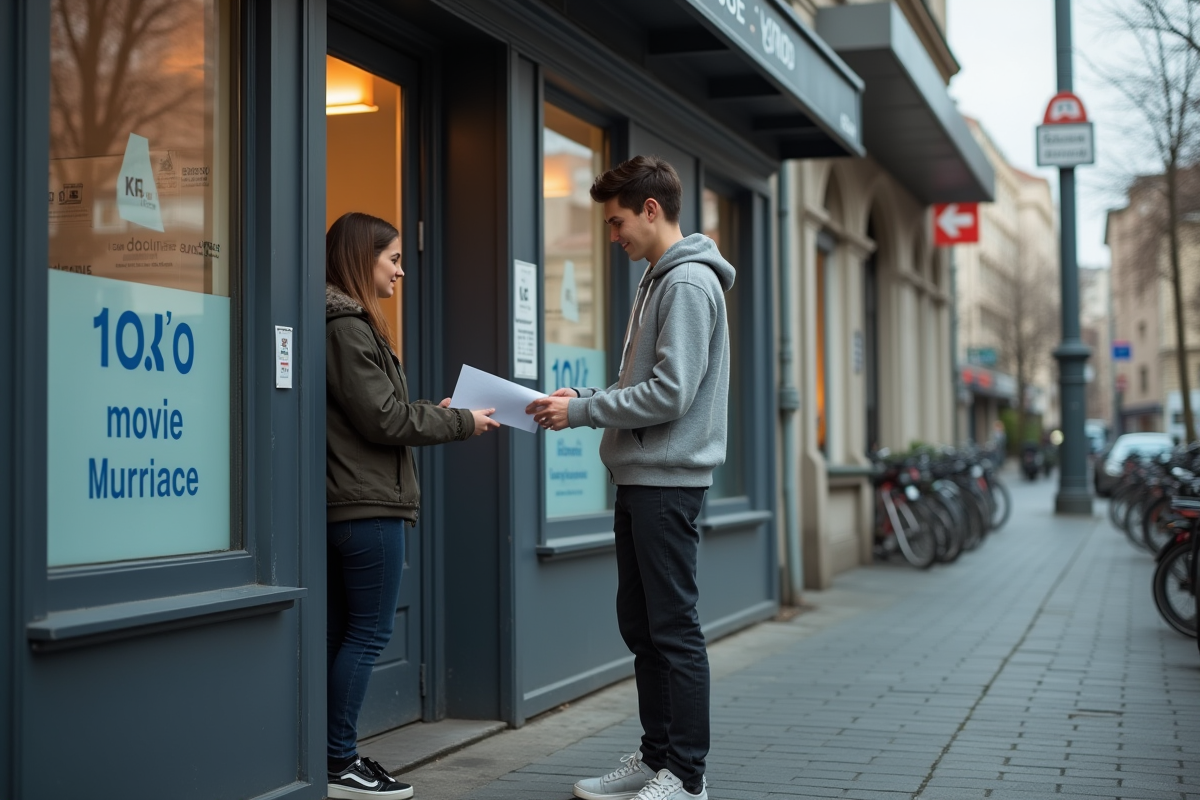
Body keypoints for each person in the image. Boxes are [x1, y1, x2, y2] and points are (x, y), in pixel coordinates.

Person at [527, 156, 735, 800]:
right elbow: (644, 387)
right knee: (644, 627)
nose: (611, 234)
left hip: (667, 481)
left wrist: (585, 412)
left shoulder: (688, 283)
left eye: (617, 221)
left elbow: (671, 394)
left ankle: (687, 776)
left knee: (673, 628)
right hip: (644, 476)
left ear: (651, 209)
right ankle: (657, 758)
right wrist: (584, 398)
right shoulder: (657, 280)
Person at [324, 211, 499, 799]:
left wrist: (440, 409)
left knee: (345, 633)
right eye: (394, 258)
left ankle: (333, 756)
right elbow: (383, 419)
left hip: (357, 500)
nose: (401, 270)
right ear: (361, 257)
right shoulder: (348, 327)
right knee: (368, 635)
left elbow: (378, 411)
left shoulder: (347, 325)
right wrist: (458, 421)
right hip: (367, 506)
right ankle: (337, 762)